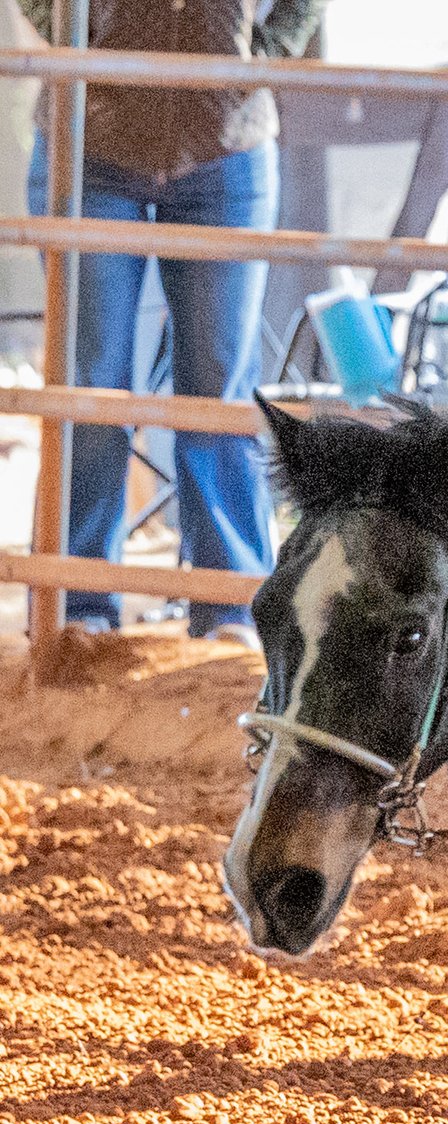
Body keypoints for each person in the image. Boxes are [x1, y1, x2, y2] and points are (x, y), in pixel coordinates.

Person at [20, 0, 326, 643]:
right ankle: (77, 604)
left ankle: (231, 605)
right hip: (91, 139)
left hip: (227, 145)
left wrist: (266, 50)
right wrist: (75, 34)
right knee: (89, 382)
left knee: (218, 387)